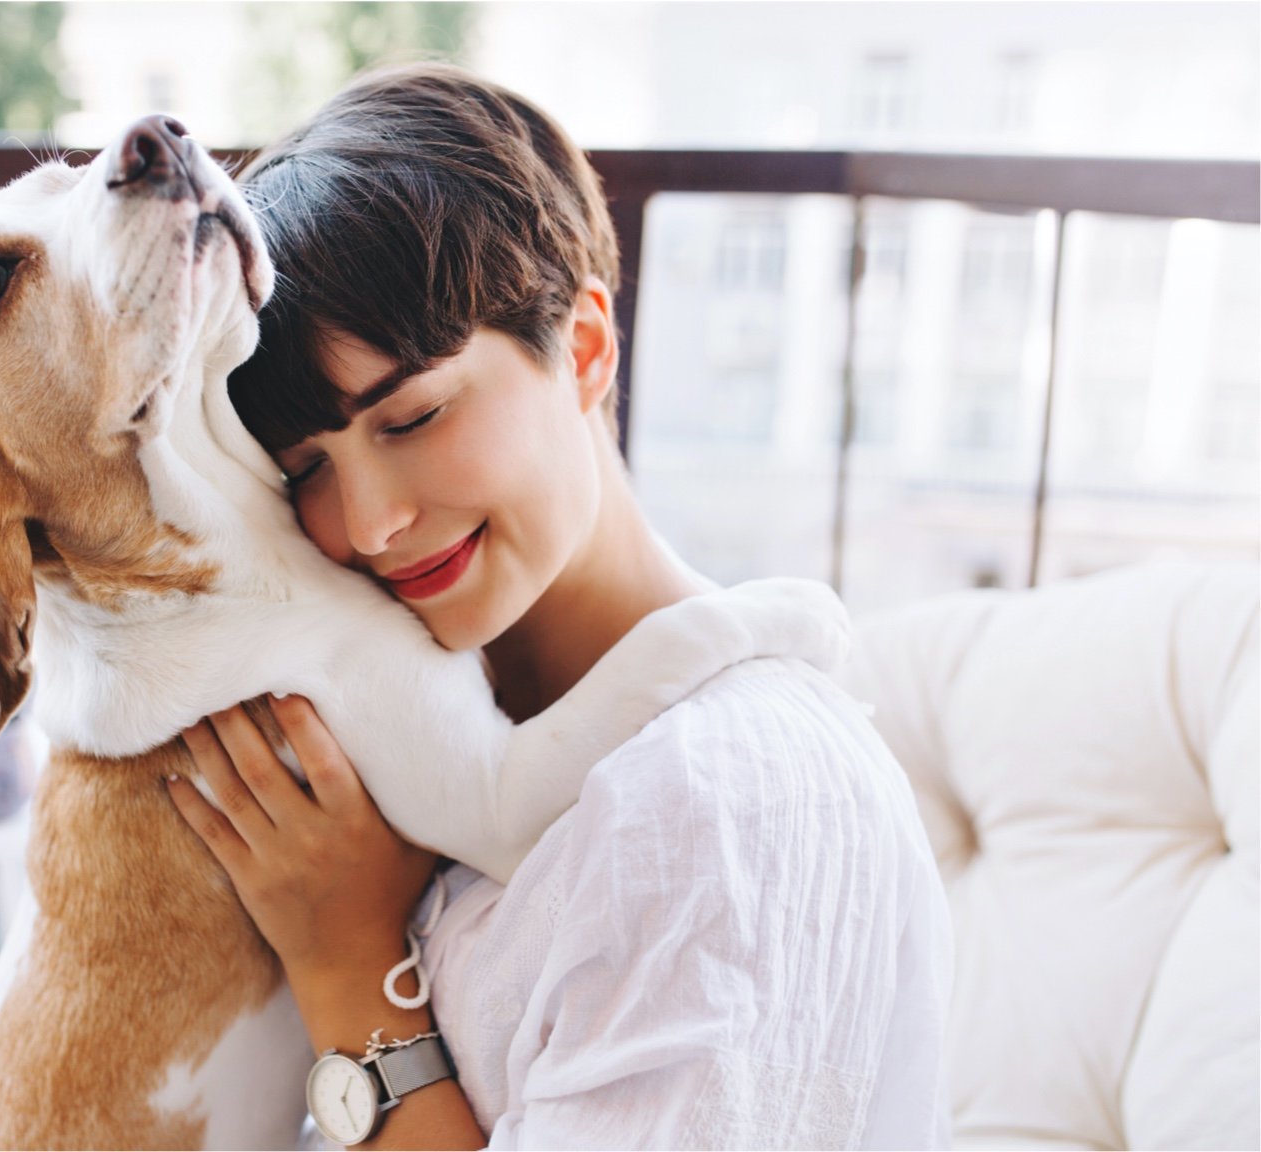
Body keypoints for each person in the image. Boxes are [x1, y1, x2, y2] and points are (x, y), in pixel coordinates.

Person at [165, 63, 953, 1150]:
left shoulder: (717, 808)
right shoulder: (413, 727)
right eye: (306, 468)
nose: (372, 520)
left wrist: (349, 967)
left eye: (414, 416)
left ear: (581, 347)